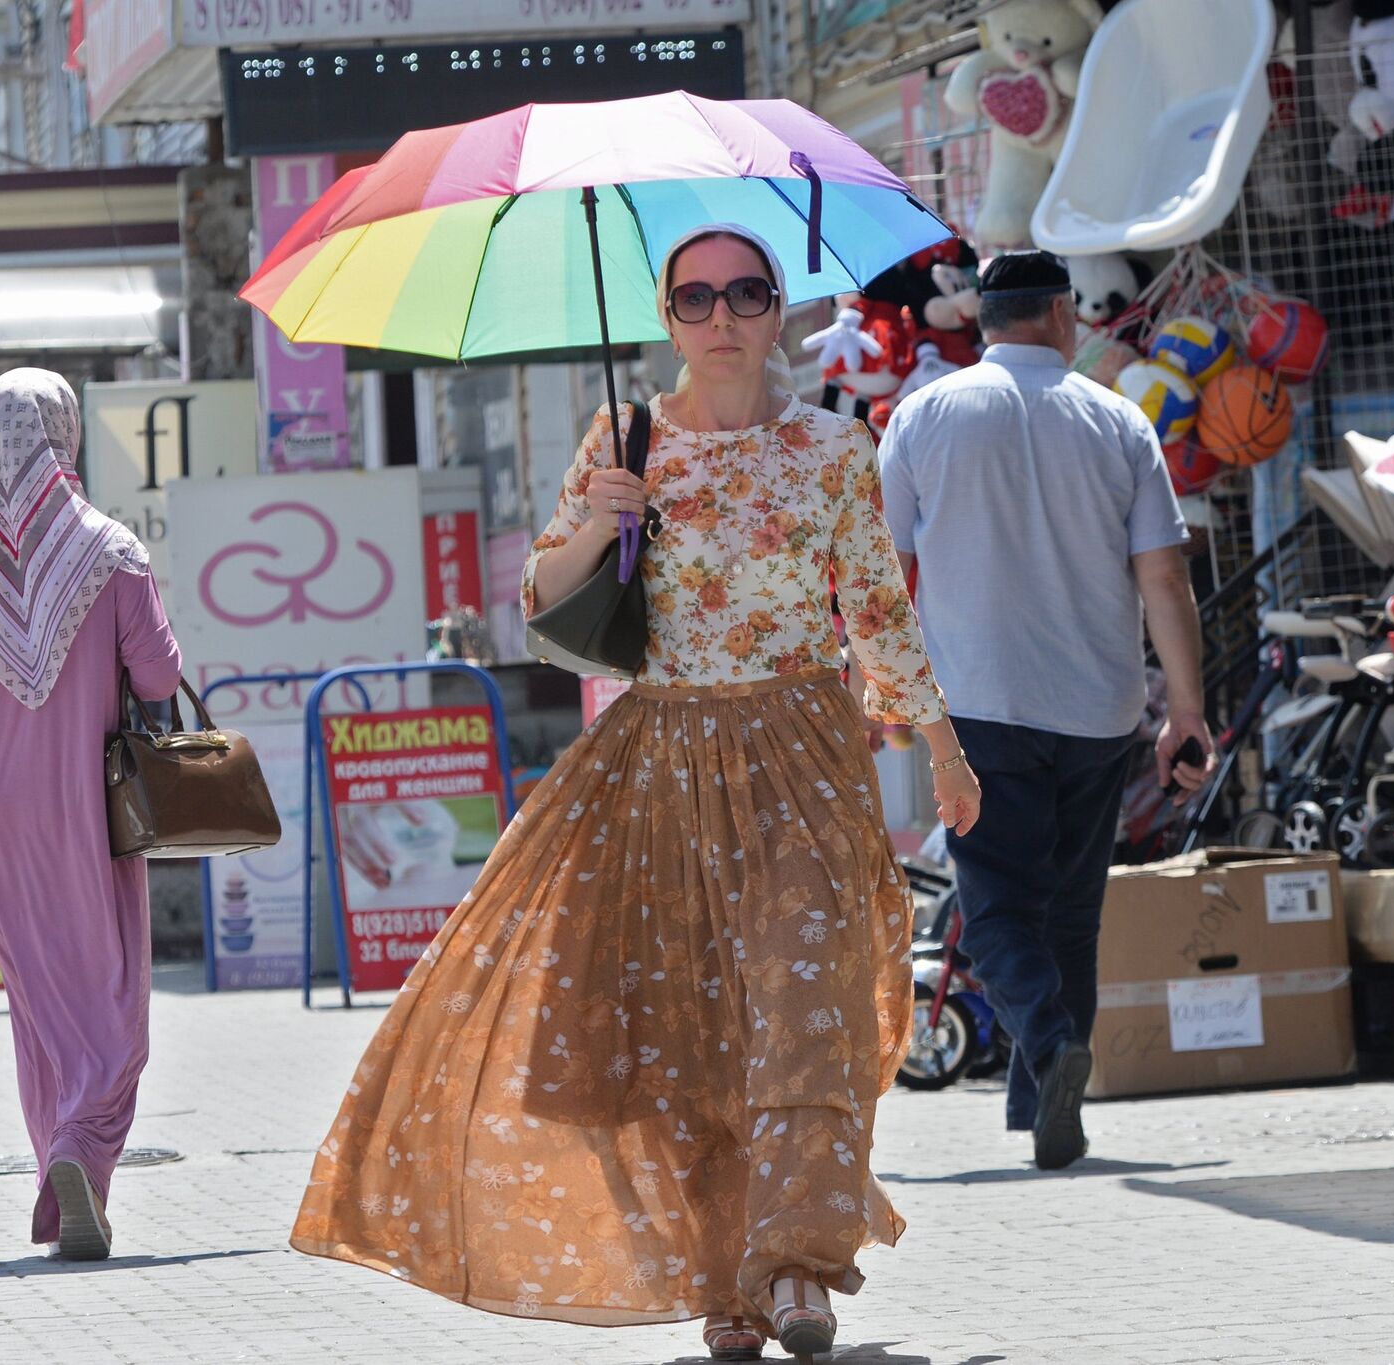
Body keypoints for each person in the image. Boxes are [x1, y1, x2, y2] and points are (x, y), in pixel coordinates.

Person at [292, 224, 979, 1364]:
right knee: (690, 1036)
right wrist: (605, 519)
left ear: (777, 312)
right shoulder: (628, 437)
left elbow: (877, 613)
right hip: (660, 763)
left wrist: (944, 746)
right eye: (697, 298)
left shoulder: (832, 446)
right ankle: (728, 1282)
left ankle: (801, 1265)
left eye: (746, 294)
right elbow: (542, 603)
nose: (722, 318)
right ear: (668, 320)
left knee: (804, 1013)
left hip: (805, 754)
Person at [877, 250, 1215, 1171]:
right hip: (1099, 707)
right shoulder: (1117, 419)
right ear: (1064, 315)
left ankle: (1053, 1052)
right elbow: (1164, 572)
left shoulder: (923, 416)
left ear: (984, 317)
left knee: (994, 912)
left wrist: (881, 688)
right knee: (1069, 913)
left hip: (977, 705)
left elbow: (879, 571)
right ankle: (1043, 1106)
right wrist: (1184, 709)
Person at [0, 368, 182, 1259]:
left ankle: (63, 1173)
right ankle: (81, 1148)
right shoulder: (111, 551)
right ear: (61, 436)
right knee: (110, 994)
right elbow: (156, 677)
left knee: (38, 1002)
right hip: (84, 798)